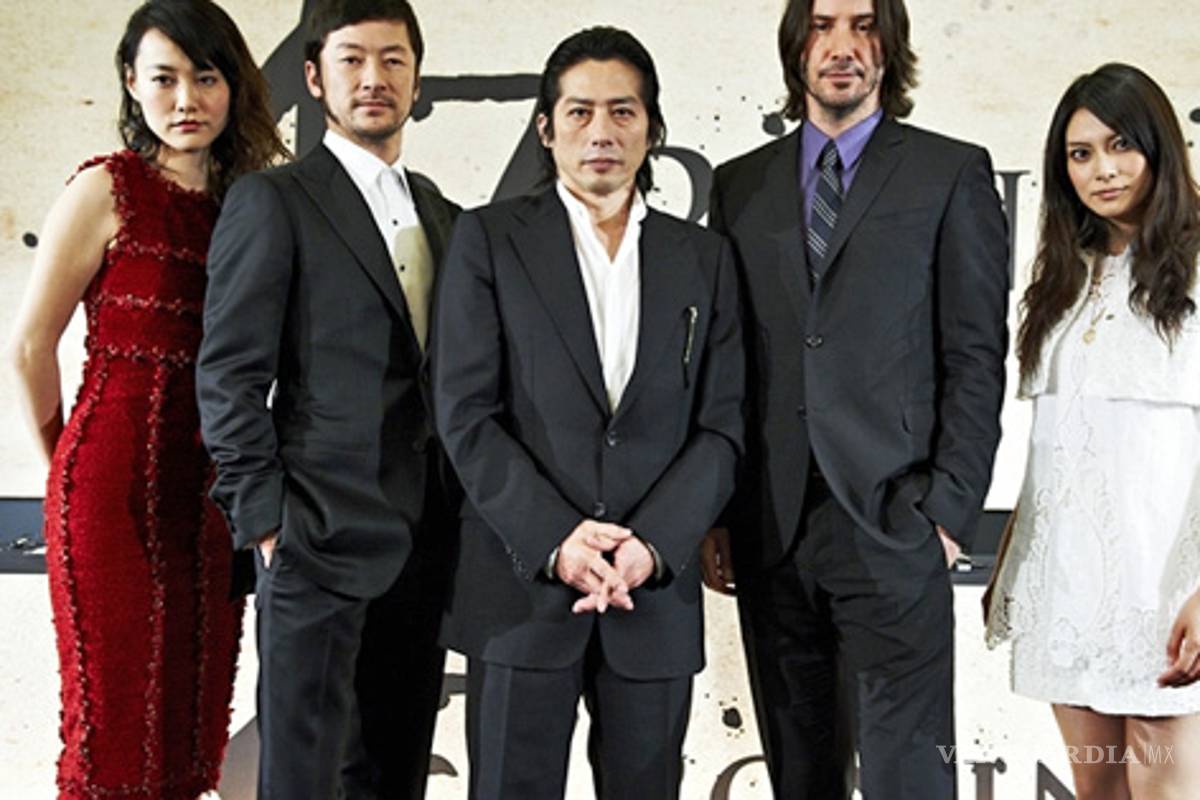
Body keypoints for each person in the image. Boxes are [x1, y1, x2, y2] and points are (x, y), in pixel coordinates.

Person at [703, 0, 1010, 796]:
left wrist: (949, 511)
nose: (842, 45)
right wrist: (719, 511)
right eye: (823, 24)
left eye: (864, 24)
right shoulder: (739, 185)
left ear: (890, 44)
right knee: (800, 775)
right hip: (770, 526)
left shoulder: (950, 172)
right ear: (796, 44)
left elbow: (975, 354)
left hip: (895, 518)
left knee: (911, 778)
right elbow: (724, 363)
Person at [432, 26, 744, 800]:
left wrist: (653, 545)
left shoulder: (703, 257)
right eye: (579, 112)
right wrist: (557, 539)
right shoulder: (488, 239)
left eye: (622, 111)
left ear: (652, 128)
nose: (601, 131)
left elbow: (723, 425)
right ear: (546, 129)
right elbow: (465, 414)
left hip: (652, 599)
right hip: (521, 592)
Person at [6, 1, 288, 798]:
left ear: (234, 87)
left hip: (211, 503)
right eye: (163, 79)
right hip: (111, 494)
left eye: (206, 77)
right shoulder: (108, 187)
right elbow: (29, 346)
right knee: (112, 736)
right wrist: (68, 468)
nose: (186, 99)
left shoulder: (252, 204)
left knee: (189, 734)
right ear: (132, 84)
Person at [195, 0, 459, 797]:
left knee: (395, 777)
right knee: (304, 781)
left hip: (426, 548)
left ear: (417, 80)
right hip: (314, 540)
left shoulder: (443, 213)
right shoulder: (274, 201)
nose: (374, 78)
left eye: (392, 60)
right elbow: (229, 374)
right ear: (314, 78)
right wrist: (268, 525)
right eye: (352, 60)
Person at [985, 62, 1200, 799]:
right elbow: (1052, 446)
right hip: (1066, 588)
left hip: (1167, 590)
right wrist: (1016, 569)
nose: (1102, 170)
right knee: (1098, 791)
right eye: (1080, 154)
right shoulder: (1061, 280)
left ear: (1159, 147)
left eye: (1120, 145)